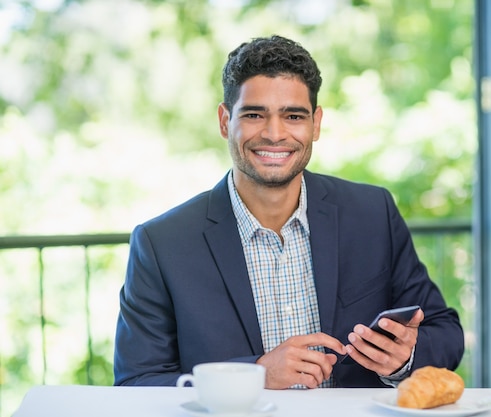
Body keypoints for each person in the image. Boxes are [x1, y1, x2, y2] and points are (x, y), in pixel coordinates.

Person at [113, 35, 464, 389]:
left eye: (293, 115)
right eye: (254, 114)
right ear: (224, 121)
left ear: (316, 123)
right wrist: (254, 376)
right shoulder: (162, 244)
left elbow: (445, 332)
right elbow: (136, 383)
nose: (274, 134)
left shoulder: (373, 214)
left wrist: (404, 358)